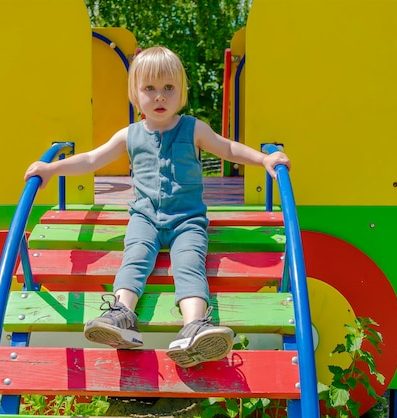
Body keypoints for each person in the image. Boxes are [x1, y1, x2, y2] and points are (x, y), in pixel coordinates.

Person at [24, 46, 290, 368]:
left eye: (168, 88)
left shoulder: (194, 128)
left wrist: (265, 160)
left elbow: (228, 148)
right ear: (136, 94)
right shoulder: (130, 135)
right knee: (135, 257)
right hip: (145, 217)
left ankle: (194, 326)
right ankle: (122, 314)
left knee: (189, 264)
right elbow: (93, 158)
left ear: (181, 93)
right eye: (150, 88)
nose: (159, 97)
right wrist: (51, 169)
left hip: (187, 220)